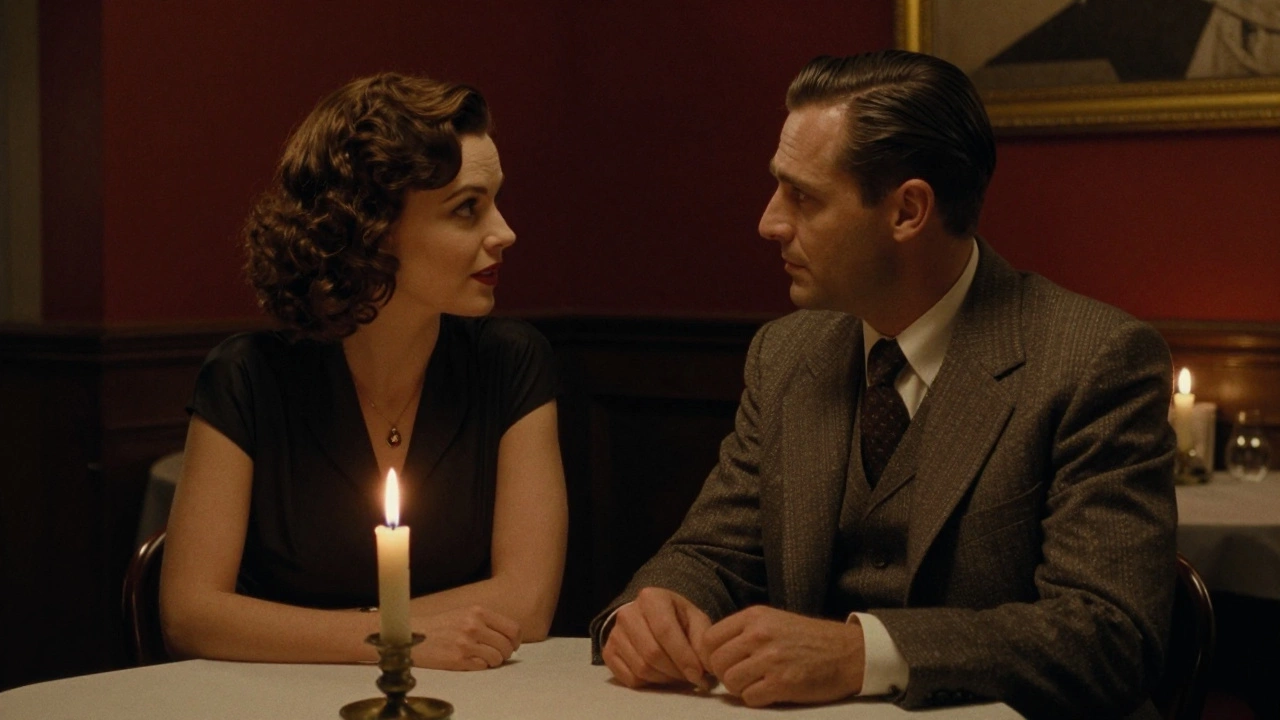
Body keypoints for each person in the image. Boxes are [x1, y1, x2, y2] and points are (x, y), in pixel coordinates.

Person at [592, 50, 1177, 719]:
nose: (768, 222)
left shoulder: (1094, 360)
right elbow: (711, 552)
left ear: (908, 211)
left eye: (803, 196)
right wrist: (659, 607)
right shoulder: (785, 354)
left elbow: (1109, 636)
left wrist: (865, 654)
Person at [160, 73, 568, 671]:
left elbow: (527, 603)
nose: (504, 233)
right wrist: (396, 640)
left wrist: (288, 629)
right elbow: (191, 616)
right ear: (371, 230)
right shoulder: (247, 378)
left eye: (495, 201)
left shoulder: (510, 362)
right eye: (467, 210)